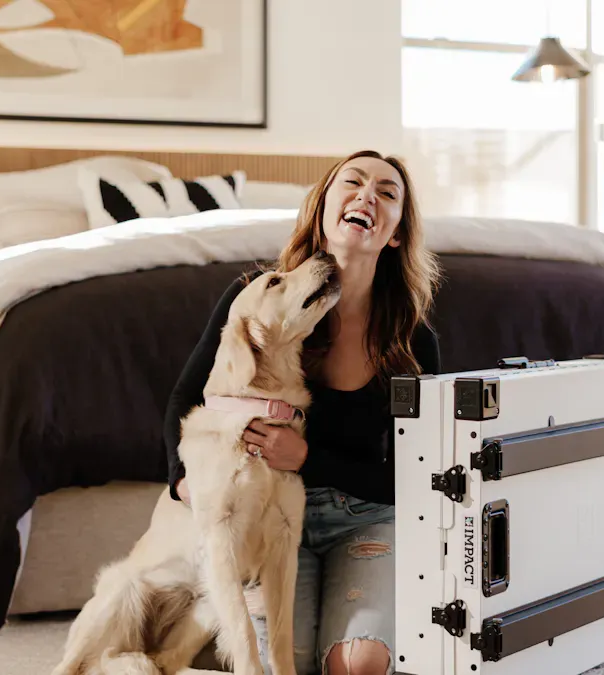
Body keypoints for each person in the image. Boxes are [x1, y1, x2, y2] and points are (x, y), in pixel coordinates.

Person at [163, 150, 443, 675]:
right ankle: (209, 627)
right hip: (266, 518)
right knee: (282, 665)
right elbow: (186, 401)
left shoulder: (413, 341)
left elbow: (415, 477)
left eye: (387, 193)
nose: (368, 196)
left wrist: (308, 458)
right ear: (322, 208)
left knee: (356, 665)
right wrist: (185, 483)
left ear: (397, 233)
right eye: (353, 183)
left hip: (366, 520)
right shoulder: (257, 298)